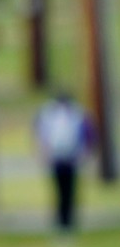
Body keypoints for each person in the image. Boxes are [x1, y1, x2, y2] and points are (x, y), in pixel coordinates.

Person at [34, 91, 96, 233]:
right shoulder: (75, 114)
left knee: (64, 190)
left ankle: (66, 222)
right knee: (65, 191)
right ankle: (64, 222)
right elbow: (89, 135)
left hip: (65, 158)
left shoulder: (51, 114)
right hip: (64, 158)